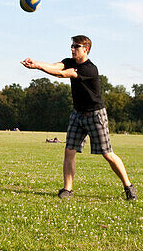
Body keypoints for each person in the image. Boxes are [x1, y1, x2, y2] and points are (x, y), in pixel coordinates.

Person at [22, 35, 136, 200]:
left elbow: (61, 74)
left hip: (95, 115)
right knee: (69, 150)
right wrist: (37, 63)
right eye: (72, 45)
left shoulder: (89, 69)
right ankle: (67, 189)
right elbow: (55, 66)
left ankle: (128, 186)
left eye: (76, 46)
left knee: (107, 154)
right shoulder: (70, 61)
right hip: (77, 114)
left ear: (86, 49)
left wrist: (38, 67)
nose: (72, 49)